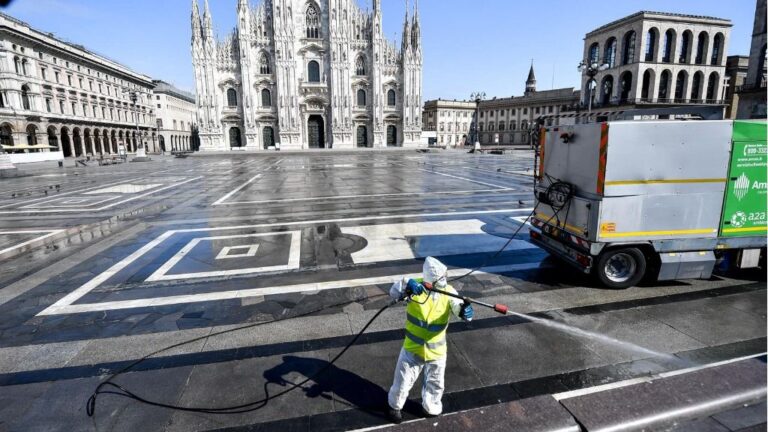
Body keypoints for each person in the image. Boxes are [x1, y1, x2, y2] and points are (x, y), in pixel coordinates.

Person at [386, 257, 474, 423]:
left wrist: (464, 310)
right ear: (432, 278)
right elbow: (394, 291)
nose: (445, 279)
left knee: (435, 382)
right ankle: (394, 406)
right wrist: (406, 285)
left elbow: (457, 305)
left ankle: (431, 407)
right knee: (402, 381)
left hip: (437, 351)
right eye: (441, 277)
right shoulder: (415, 286)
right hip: (412, 348)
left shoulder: (448, 292)